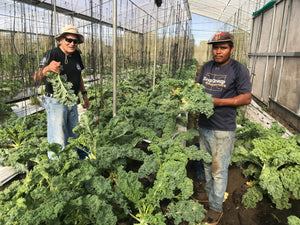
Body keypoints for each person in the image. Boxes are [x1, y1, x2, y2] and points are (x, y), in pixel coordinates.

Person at [195, 32, 252, 225]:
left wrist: (219, 102)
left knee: (219, 170)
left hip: (223, 129)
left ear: (231, 49)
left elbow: (246, 98)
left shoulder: (238, 70)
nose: (218, 51)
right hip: (204, 125)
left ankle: (215, 208)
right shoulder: (207, 67)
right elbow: (196, 88)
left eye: (223, 47)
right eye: (215, 47)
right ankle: (210, 195)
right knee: (206, 165)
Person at [34, 25, 90, 159]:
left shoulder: (76, 55)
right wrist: (47, 69)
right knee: (57, 138)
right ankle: (56, 168)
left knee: (74, 135)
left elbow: (79, 76)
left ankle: (73, 162)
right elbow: (36, 77)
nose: (72, 43)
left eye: (75, 41)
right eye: (68, 40)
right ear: (61, 40)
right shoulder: (51, 54)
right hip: (56, 102)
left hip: (72, 100)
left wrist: (84, 94)